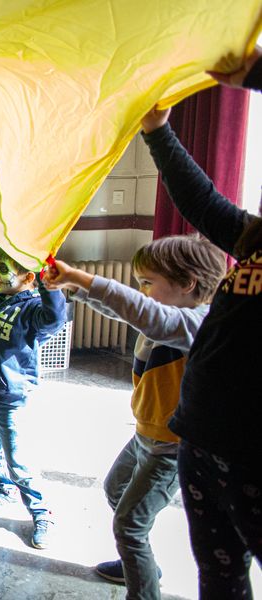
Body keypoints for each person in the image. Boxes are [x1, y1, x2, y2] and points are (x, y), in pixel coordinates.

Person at [138, 46, 261, 598]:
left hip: (255, 454)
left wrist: (256, 75)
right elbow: (202, 202)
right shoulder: (255, 239)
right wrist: (159, 132)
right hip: (202, 439)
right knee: (219, 575)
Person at [45, 237, 225, 598]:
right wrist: (76, 290)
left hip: (171, 447)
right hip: (145, 433)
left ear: (188, 284)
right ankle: (142, 565)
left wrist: (83, 279)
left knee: (129, 527)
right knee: (116, 492)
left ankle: (142, 587)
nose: (141, 291)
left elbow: (147, 315)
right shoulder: (170, 318)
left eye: (147, 282)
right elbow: (130, 312)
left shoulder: (198, 323)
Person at [0, 239, 66, 550]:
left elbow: (56, 317)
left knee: (18, 460)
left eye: (6, 271)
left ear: (29, 278)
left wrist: (51, 279)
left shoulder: (33, 310)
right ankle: (3, 489)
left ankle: (41, 512)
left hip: (11, 399)